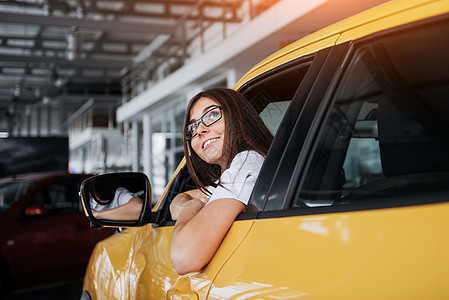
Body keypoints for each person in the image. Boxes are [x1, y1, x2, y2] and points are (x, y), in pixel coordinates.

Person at [169, 87, 273, 275]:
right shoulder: (231, 177)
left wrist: (189, 209)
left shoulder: (248, 162)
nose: (199, 130)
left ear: (237, 116)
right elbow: (181, 198)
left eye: (211, 115)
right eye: (192, 127)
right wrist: (185, 202)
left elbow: (184, 256)